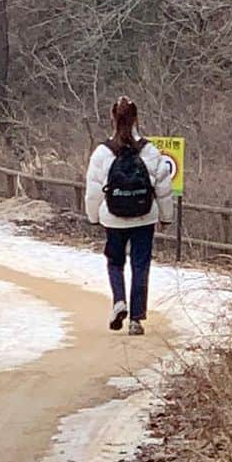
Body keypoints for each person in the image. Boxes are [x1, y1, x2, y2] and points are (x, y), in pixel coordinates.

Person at [84, 95, 174, 335]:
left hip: (113, 217)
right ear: (136, 119)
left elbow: (93, 191)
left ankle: (119, 301)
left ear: (112, 118)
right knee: (140, 264)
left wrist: (94, 217)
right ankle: (136, 319)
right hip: (145, 216)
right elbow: (164, 188)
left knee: (115, 262)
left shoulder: (103, 153)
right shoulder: (150, 151)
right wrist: (166, 216)